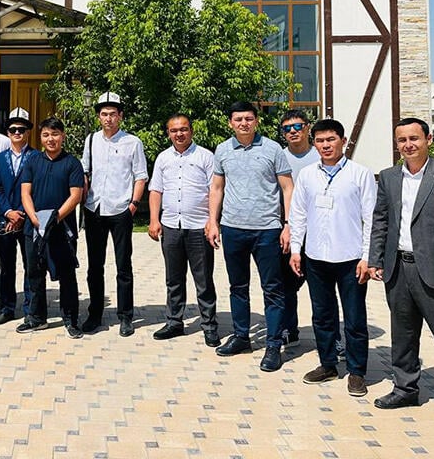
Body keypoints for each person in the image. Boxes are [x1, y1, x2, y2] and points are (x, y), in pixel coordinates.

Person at [368, 117, 434, 434]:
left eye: (414, 138)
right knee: (402, 335)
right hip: (397, 269)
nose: (408, 145)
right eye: (402, 140)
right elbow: (381, 221)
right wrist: (376, 259)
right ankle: (406, 390)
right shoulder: (388, 177)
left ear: (428, 139)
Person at [288, 119, 375, 397]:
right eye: (320, 141)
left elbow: (371, 219)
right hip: (316, 257)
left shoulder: (360, 174)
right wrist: (296, 250)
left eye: (331, 140)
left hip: (351, 259)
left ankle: (357, 371)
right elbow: (298, 215)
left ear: (343, 141)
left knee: (354, 318)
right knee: (322, 316)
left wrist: (367, 257)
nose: (326, 145)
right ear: (314, 143)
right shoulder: (308, 175)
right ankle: (327, 364)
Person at [206, 101, 293, 372]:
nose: (243, 123)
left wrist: (288, 224)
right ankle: (242, 336)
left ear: (256, 121)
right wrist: (213, 221)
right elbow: (217, 188)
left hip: (267, 229)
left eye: (248, 118)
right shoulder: (222, 150)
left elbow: (287, 187)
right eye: (238, 119)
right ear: (230, 122)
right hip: (233, 229)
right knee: (237, 287)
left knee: (273, 289)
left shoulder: (272, 149)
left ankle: (273, 344)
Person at [147, 114, 219, 346]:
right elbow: (156, 190)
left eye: (184, 129)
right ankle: (174, 322)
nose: (179, 134)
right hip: (171, 227)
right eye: (174, 130)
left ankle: (209, 325)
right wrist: (153, 220)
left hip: (199, 228)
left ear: (191, 131)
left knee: (204, 280)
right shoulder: (163, 158)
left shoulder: (206, 157)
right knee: (174, 279)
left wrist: (212, 221)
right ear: (168, 133)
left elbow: (215, 190)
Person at [81, 92, 148, 337]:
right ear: (99, 116)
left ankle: (125, 316)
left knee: (123, 265)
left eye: (113, 114)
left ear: (120, 116)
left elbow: (140, 175)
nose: (108, 118)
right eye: (104, 114)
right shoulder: (91, 141)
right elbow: (85, 173)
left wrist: (133, 204)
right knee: (94, 267)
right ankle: (95, 313)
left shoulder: (132, 142)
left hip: (121, 209)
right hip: (94, 209)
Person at [18, 117, 85, 338]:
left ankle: (70, 320)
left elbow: (75, 195)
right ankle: (36, 318)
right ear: (40, 137)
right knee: (34, 274)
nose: (51, 139)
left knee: (67, 276)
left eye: (55, 134)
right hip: (34, 229)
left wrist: (55, 218)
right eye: (46, 134)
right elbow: (25, 193)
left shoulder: (72, 163)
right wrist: (35, 218)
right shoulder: (32, 161)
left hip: (61, 229)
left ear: (63, 136)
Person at [0, 107, 35, 325]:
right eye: (13, 129)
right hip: (6, 220)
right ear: (7, 132)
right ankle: (7, 307)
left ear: (28, 132)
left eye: (21, 129)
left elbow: (37, 189)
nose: (17, 133)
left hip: (29, 220)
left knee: (31, 265)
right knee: (6, 266)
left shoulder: (36, 157)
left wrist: (24, 214)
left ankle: (30, 308)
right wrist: (9, 212)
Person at [278, 109, 319, 346]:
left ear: (307, 127)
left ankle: (330, 337)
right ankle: (288, 330)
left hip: (317, 231)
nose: (293, 132)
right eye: (287, 128)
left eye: (297, 126)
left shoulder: (320, 154)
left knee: (320, 288)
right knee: (286, 285)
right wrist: (287, 225)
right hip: (286, 230)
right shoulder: (279, 156)